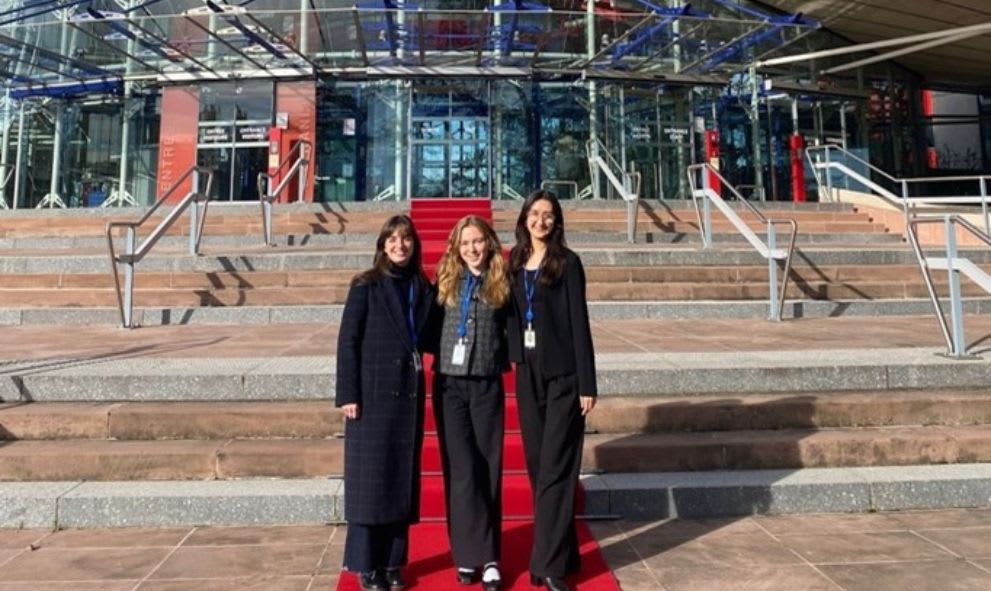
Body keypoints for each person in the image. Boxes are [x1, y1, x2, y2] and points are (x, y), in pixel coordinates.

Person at [336, 214, 433, 591]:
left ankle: (394, 563)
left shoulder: (420, 287)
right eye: (393, 239)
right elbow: (348, 341)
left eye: (406, 239)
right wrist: (348, 394)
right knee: (368, 484)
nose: (400, 245)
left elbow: (428, 333)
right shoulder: (366, 285)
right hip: (371, 397)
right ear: (382, 245)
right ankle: (366, 564)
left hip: (407, 395)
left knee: (398, 482)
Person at [507, 191, 596, 591]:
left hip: (563, 377)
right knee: (538, 465)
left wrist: (587, 383)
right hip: (527, 374)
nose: (541, 221)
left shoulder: (568, 263)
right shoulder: (513, 261)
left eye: (548, 215)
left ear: (556, 222)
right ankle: (565, 551)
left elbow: (580, 323)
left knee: (557, 468)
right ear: (525, 218)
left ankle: (549, 564)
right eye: (535, 214)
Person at [431, 215, 510, 591]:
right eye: (465, 244)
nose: (472, 249)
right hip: (450, 388)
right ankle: (466, 554)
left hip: (486, 384)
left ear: (488, 243)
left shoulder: (502, 283)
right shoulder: (445, 282)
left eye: (477, 241)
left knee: (488, 468)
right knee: (461, 472)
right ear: (456, 248)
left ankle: (491, 556)